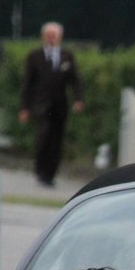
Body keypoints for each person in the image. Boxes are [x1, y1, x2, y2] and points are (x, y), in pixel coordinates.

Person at [19, 21, 84, 186]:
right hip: (41, 105)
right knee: (43, 136)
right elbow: (27, 83)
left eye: (55, 36)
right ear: (43, 37)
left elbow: (75, 80)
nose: (52, 39)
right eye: (49, 36)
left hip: (60, 105)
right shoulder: (35, 57)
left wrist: (78, 99)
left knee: (56, 140)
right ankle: (40, 171)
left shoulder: (67, 56)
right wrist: (24, 108)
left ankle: (50, 174)